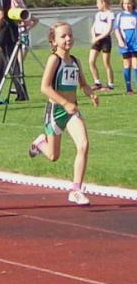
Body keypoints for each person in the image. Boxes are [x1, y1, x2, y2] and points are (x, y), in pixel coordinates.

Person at [28, 22, 98, 206]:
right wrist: (64, 103)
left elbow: (83, 84)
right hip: (56, 112)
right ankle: (40, 143)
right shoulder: (54, 60)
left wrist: (91, 93)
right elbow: (45, 87)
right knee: (53, 156)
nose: (68, 39)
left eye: (70, 35)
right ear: (53, 41)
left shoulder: (75, 61)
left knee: (83, 145)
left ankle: (76, 190)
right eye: (63, 36)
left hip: (72, 111)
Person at [88, 0, 116, 92]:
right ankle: (97, 83)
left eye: (98, 3)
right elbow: (93, 27)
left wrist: (99, 37)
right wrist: (94, 36)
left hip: (105, 40)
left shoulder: (110, 14)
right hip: (97, 39)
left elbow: (109, 30)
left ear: (103, 3)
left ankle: (110, 85)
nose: (97, 5)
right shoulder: (98, 14)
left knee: (106, 63)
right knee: (91, 61)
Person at [114, 0, 137, 94]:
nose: (127, 5)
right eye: (125, 3)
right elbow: (116, 29)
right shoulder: (120, 16)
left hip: (135, 43)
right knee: (127, 64)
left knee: (135, 64)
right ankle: (129, 89)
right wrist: (120, 40)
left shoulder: (135, 15)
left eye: (129, 3)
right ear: (122, 4)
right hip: (125, 43)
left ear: (133, 3)